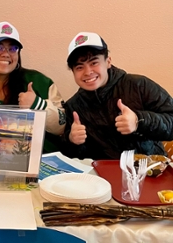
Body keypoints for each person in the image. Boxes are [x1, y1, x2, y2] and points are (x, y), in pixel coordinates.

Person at [62, 31, 173, 160]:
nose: (88, 72)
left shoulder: (139, 85)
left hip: (148, 171)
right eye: (79, 67)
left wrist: (139, 120)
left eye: (94, 63)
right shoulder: (73, 106)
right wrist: (72, 141)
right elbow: (73, 157)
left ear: (108, 61)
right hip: (101, 176)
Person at [0, 21, 66, 153]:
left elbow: (61, 127)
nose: (6, 54)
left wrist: (37, 104)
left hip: (44, 163)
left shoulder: (39, 82)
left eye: (12, 48)